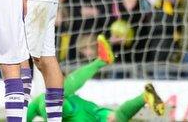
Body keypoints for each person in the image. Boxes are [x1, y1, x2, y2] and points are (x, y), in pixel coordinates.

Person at [27, 35, 166, 122]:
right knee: (115, 118)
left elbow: (25, 117)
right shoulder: (49, 98)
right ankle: (145, 96)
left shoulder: (44, 101)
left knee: (56, 99)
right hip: (90, 111)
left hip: (75, 113)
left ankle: (102, 61)